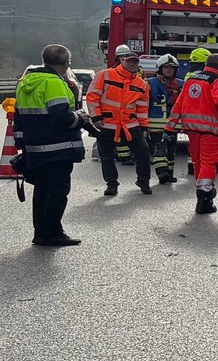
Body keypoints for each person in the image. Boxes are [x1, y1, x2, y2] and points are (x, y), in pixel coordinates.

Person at [13, 44, 92, 245]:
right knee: (57, 192)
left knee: (41, 190)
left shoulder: (25, 83)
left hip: (35, 150)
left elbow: (19, 119)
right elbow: (61, 117)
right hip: (59, 149)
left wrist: (23, 145)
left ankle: (40, 232)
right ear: (66, 63)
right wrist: (80, 117)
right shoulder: (54, 83)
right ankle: (52, 233)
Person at [83, 44, 152, 196]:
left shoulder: (142, 84)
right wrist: (96, 117)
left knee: (143, 153)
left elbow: (142, 108)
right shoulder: (105, 75)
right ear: (122, 60)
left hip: (130, 125)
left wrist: (144, 127)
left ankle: (144, 181)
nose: (133, 64)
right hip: (107, 123)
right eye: (130, 61)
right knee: (106, 156)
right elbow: (92, 96)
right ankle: (111, 184)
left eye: (135, 62)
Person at [171, 52, 218, 214]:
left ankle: (202, 195)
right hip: (210, 130)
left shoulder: (191, 80)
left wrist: (169, 128)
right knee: (209, 163)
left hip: (191, 129)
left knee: (198, 162)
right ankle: (204, 198)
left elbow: (178, 105)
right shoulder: (217, 80)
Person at [146, 55, 184, 184]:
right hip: (155, 124)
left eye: (171, 68)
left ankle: (170, 173)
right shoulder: (150, 83)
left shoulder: (180, 84)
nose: (169, 70)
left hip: (173, 125)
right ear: (160, 68)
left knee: (172, 149)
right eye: (166, 67)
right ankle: (162, 173)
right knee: (160, 148)